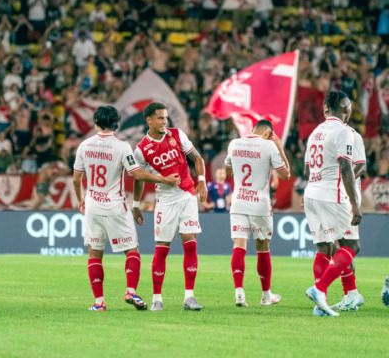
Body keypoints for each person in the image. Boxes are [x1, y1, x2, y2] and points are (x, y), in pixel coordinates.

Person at [73, 106, 180, 311]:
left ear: (96, 122)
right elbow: (137, 174)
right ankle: (130, 290)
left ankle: (99, 302)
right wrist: (163, 178)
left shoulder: (84, 146)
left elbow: (77, 178)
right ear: (116, 124)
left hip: (93, 205)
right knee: (132, 250)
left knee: (95, 254)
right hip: (115, 206)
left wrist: (80, 200)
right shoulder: (122, 146)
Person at [133, 102, 207, 312]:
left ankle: (189, 297)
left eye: (166, 118)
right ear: (149, 120)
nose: (165, 121)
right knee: (162, 249)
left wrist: (201, 180)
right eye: (160, 118)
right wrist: (137, 204)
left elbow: (197, 158)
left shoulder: (177, 135)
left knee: (190, 243)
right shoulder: (141, 150)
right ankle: (157, 298)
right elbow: (138, 177)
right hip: (165, 202)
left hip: (186, 196)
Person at [304, 90, 362, 317]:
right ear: (347, 109)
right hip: (331, 194)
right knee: (351, 245)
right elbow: (346, 168)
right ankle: (319, 289)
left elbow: (307, 169)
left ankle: (321, 304)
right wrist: (355, 204)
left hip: (311, 193)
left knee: (324, 247)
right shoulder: (344, 132)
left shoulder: (315, 133)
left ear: (326, 108)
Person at [225, 120, 290, 307]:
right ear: (269, 134)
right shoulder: (269, 145)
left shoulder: (234, 143)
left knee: (239, 245)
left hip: (238, 202)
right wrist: (279, 147)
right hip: (259, 204)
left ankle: (239, 293)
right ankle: (265, 295)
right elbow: (286, 175)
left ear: (253, 129)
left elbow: (228, 170)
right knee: (262, 248)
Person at [327, 125, 366, 314]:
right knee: (338, 245)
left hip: (346, 198)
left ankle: (352, 295)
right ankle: (350, 294)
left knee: (347, 246)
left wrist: (342, 181)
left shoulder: (353, 136)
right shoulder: (334, 136)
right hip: (334, 196)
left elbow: (361, 165)